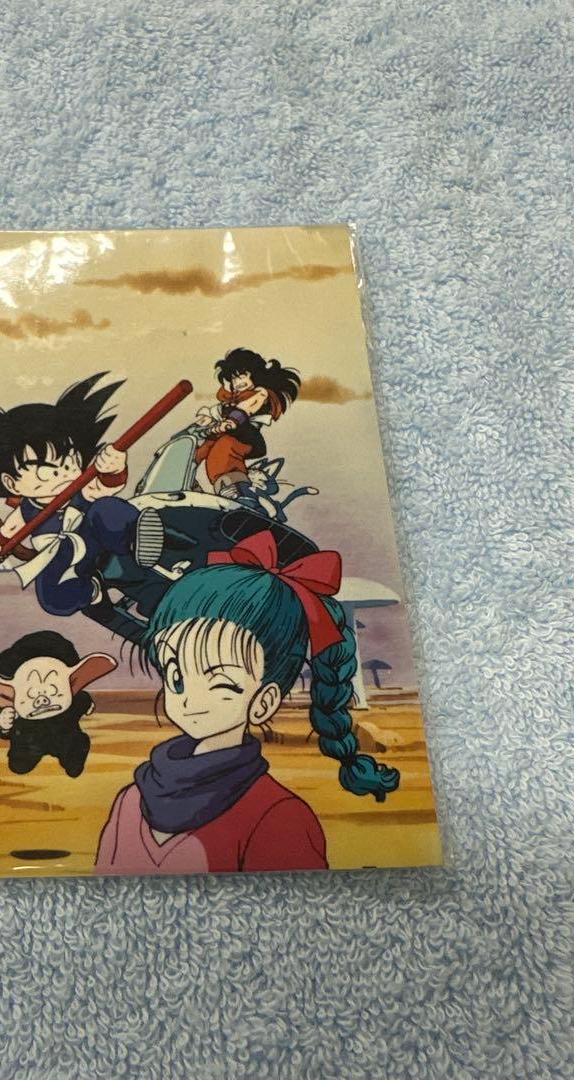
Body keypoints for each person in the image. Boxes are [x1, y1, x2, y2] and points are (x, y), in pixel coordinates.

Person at [95, 531, 399, 875]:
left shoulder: (279, 816)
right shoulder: (131, 800)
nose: (189, 698)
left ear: (263, 702)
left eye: (220, 683)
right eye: (176, 675)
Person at [0, 373, 164, 616]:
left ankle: (135, 536)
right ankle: (91, 592)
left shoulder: (81, 489)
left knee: (106, 507)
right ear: (11, 483)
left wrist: (114, 467)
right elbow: (9, 531)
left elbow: (109, 485)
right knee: (50, 595)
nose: (63, 473)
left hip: (95, 539)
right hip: (62, 556)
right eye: (46, 470)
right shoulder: (27, 510)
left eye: (70, 462)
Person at [194, 347, 300, 500]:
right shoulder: (232, 400)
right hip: (226, 431)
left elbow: (247, 407)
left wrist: (232, 420)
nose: (238, 382)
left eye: (242, 376)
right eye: (233, 379)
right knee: (198, 449)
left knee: (224, 449)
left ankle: (236, 487)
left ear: (255, 374)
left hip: (246, 435)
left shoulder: (260, 393)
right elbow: (218, 411)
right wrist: (206, 418)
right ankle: (186, 481)